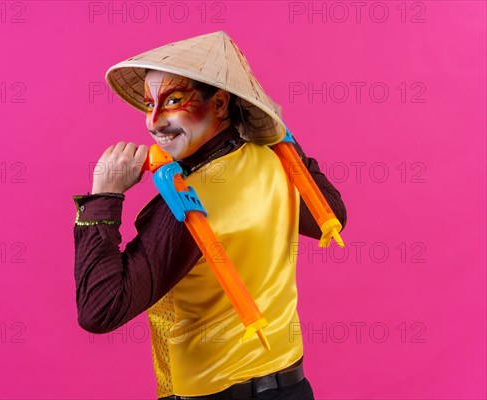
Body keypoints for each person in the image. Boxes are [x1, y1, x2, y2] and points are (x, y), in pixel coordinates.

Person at [73, 31, 347, 400]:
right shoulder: (276, 162)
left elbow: (100, 308)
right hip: (293, 388)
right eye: (148, 103)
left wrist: (104, 196)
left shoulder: (187, 202)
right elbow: (333, 215)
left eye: (172, 101)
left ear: (219, 104)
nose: (153, 122)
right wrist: (277, 134)